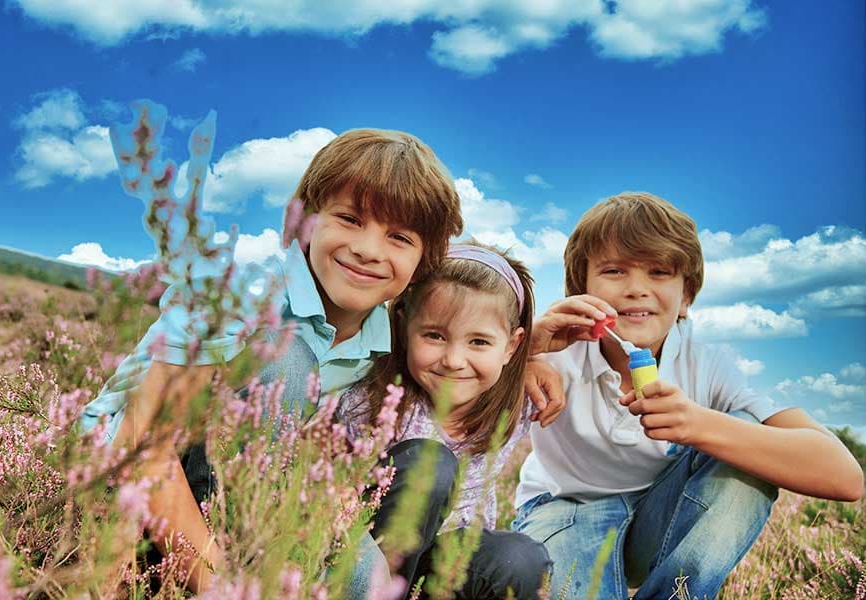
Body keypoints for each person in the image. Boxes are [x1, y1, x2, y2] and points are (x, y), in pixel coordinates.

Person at [80, 128, 466, 593]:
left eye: (399, 237)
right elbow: (145, 445)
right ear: (301, 221)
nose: (368, 249)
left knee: (366, 580)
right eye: (348, 218)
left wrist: (532, 354)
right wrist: (214, 581)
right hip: (121, 469)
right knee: (286, 358)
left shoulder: (376, 332)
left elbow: (471, 323)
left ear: (424, 261)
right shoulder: (238, 291)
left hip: (237, 488)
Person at [512, 191, 864, 600]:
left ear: (687, 295)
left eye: (659, 272)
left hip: (659, 519)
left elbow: (846, 477)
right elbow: (449, 404)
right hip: (563, 508)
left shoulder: (710, 365)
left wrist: (700, 424)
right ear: (581, 287)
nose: (636, 289)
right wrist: (520, 354)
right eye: (614, 271)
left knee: (749, 436)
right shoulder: (553, 350)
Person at [338, 243, 555, 599]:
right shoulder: (371, 399)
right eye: (435, 336)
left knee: (519, 558)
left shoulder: (521, 399)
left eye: (479, 341)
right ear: (405, 327)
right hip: (363, 559)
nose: (454, 360)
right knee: (429, 463)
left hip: (444, 570)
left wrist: (538, 356)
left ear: (512, 347)